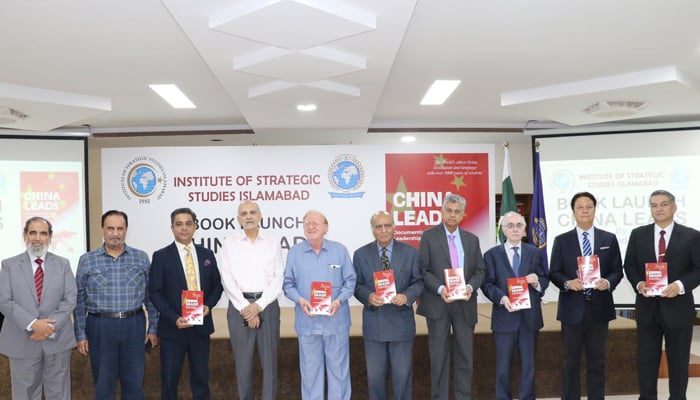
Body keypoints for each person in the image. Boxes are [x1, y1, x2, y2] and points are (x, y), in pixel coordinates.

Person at [73, 210, 159, 400]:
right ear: (103, 229)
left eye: (120, 228)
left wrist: (153, 328)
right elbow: (78, 301)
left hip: (134, 324)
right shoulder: (87, 260)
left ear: (126, 230)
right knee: (103, 383)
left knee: (134, 383)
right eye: (110, 228)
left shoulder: (141, 257)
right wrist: (80, 334)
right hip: (100, 326)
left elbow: (150, 297)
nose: (115, 233)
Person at [623, 189, 700, 400]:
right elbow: (629, 265)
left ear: (674, 207)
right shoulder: (638, 234)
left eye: (663, 204)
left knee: (678, 363)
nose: (659, 208)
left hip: (679, 309)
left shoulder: (692, 236)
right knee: (646, 363)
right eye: (654, 205)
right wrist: (639, 283)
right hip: (648, 310)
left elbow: (698, 268)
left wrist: (680, 285)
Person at [548, 192, 623, 400]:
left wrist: (607, 282)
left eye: (588, 206)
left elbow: (618, 270)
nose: (584, 210)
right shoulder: (562, 240)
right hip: (572, 309)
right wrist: (567, 283)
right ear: (573, 212)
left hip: (600, 307)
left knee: (597, 360)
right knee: (570, 360)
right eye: (580, 207)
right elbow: (554, 271)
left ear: (595, 210)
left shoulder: (609, 238)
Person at [416, 193, 486, 400]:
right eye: (449, 210)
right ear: (442, 212)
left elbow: (480, 271)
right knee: (438, 357)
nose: (452, 215)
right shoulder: (429, 236)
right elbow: (424, 270)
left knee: (466, 356)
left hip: (464, 303)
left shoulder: (472, 240)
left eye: (457, 211)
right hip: (439, 303)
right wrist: (440, 289)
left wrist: (470, 288)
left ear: (463, 214)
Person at [149, 207, 223, 400]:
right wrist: (175, 318)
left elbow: (217, 286)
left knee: (201, 379)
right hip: (173, 329)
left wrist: (208, 305)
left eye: (188, 223)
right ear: (172, 228)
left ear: (195, 226)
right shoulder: (161, 256)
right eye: (179, 224)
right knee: (169, 380)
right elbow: (155, 292)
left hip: (201, 327)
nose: (184, 228)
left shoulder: (207, 254)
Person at [0, 217, 77, 400]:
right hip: (22, 340)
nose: (37, 238)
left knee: (59, 393)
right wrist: (34, 324)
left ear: (50, 237)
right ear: (25, 235)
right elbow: (4, 300)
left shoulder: (63, 264)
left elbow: (70, 298)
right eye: (32, 232)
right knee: (24, 394)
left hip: (56, 340)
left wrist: (48, 327)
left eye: (43, 233)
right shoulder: (8, 265)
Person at [283, 210, 356, 400]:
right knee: (310, 374)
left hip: (336, 322)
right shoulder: (294, 253)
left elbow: (350, 281)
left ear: (326, 227)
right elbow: (287, 284)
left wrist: (339, 301)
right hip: (308, 324)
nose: (310, 226)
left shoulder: (339, 250)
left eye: (315, 222)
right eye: (307, 223)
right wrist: (300, 299)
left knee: (339, 374)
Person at [353, 211, 423, 400]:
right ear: (372, 230)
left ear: (394, 227)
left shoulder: (410, 252)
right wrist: (368, 296)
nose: (383, 230)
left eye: (387, 225)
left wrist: (406, 296)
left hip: (401, 324)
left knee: (402, 377)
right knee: (375, 378)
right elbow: (356, 285)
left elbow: (419, 282)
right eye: (378, 226)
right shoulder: (360, 254)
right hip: (374, 324)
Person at [218, 201, 283, 400]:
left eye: (252, 212)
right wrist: (247, 308)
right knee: (243, 363)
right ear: (238, 219)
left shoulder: (273, 242)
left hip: (268, 306)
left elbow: (277, 278)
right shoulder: (229, 243)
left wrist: (258, 306)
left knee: (270, 363)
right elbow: (226, 279)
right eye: (243, 213)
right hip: (239, 308)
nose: (248, 216)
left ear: (260, 216)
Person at [481, 211, 549, 400]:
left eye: (519, 225)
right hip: (504, 318)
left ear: (525, 229)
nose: (515, 229)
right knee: (502, 368)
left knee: (529, 367)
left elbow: (544, 278)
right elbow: (487, 284)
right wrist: (502, 299)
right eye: (510, 226)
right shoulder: (491, 255)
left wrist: (537, 282)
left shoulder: (535, 252)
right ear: (503, 230)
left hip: (530, 318)